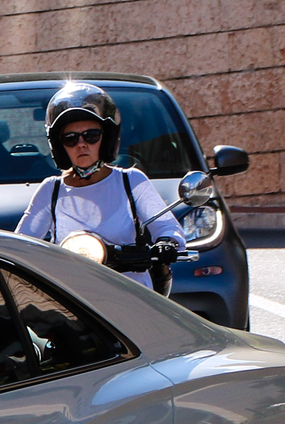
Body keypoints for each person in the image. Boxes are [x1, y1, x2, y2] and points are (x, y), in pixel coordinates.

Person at [15, 82, 185, 292]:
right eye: (70, 138)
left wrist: (167, 243)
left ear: (107, 138)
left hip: (132, 293)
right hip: (75, 297)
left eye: (91, 135)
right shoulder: (51, 190)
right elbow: (21, 243)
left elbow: (168, 227)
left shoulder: (131, 181)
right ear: (59, 146)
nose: (81, 144)